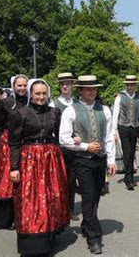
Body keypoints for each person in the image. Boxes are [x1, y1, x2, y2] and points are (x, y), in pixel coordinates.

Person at [9, 79, 69, 255]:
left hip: (51, 159)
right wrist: (14, 167)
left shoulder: (55, 112)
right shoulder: (20, 114)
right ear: (31, 94)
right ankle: (32, 244)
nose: (41, 97)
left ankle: (49, 236)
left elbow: (60, 136)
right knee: (31, 200)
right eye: (37, 94)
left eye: (44, 93)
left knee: (51, 196)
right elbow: (14, 143)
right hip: (29, 160)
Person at [59, 75, 116, 255]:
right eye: (88, 89)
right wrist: (85, 146)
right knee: (88, 196)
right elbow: (63, 138)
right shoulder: (71, 110)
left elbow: (108, 137)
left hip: (99, 160)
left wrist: (111, 160)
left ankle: (86, 223)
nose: (92, 92)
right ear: (80, 91)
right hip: (81, 161)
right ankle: (94, 238)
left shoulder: (104, 110)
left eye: (94, 89)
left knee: (97, 195)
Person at [0, 74, 28, 228]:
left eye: (24, 85)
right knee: (10, 179)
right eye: (19, 85)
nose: (22, 88)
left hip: (27, 143)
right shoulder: (4, 103)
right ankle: (9, 216)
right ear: (13, 86)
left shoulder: (31, 101)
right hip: (8, 143)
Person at [53, 72, 79, 221]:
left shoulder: (77, 103)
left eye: (67, 83)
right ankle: (60, 208)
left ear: (72, 85)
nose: (65, 86)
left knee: (72, 179)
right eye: (62, 83)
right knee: (61, 179)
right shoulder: (54, 104)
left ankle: (70, 208)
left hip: (77, 147)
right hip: (61, 147)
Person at [112, 75, 139, 190]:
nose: (130, 87)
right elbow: (115, 114)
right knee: (126, 151)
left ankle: (130, 174)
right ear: (126, 85)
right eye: (128, 85)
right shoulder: (120, 97)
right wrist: (114, 130)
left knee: (132, 152)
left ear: (135, 85)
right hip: (123, 126)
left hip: (135, 126)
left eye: (132, 85)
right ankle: (128, 178)